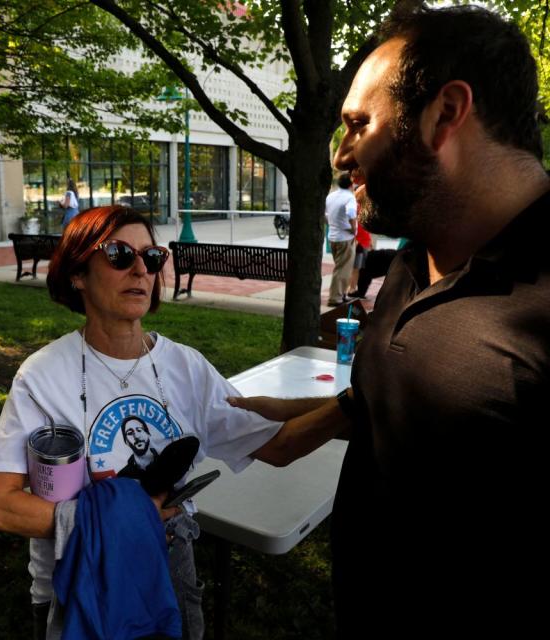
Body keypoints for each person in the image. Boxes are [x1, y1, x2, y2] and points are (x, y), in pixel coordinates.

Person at [234, 5, 549, 637]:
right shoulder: (416, 247)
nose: (341, 153)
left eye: (357, 124)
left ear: (445, 114)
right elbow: (393, 386)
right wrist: (296, 424)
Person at [0, 205, 350, 639]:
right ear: (78, 273)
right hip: (80, 578)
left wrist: (355, 402)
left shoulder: (185, 367)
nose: (139, 269)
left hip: (168, 570)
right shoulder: (43, 376)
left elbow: (279, 447)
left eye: (151, 258)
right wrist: (128, 516)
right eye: (119, 255)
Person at [324, 173, 357, 305]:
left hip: (333, 237)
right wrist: (353, 229)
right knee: (342, 269)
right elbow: (350, 212)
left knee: (342, 267)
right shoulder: (350, 197)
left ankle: (342, 294)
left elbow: (323, 213)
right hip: (345, 238)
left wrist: (331, 224)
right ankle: (335, 298)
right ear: (351, 184)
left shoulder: (331, 196)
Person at [347, 213, 372, 296]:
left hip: (364, 242)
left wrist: (370, 241)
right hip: (358, 242)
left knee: (359, 268)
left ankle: (354, 288)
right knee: (355, 268)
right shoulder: (354, 207)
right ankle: (351, 288)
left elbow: (367, 227)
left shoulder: (362, 209)